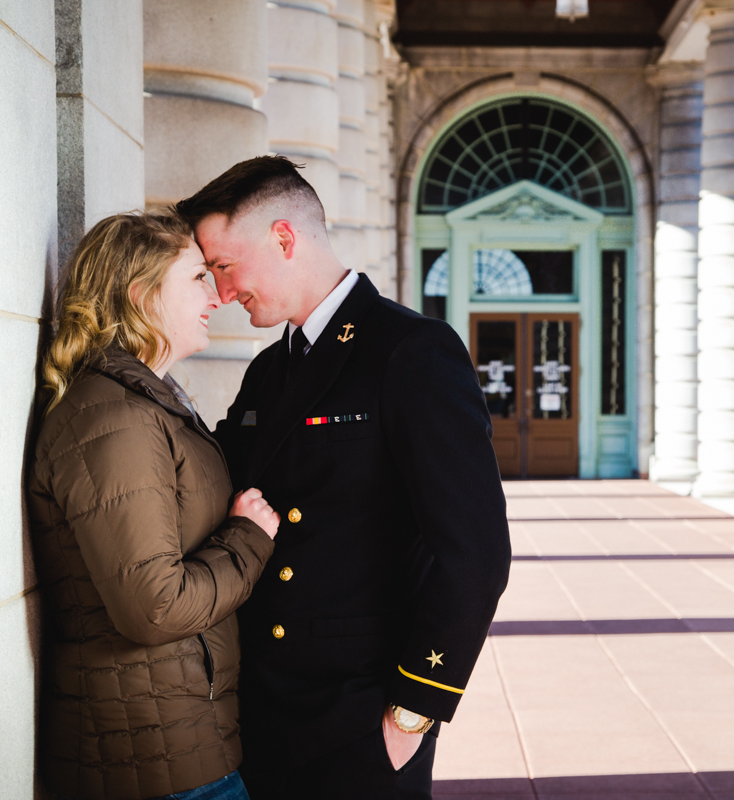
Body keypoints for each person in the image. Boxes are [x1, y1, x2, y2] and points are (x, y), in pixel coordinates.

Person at [175, 156, 512, 799]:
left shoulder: (412, 351)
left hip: (362, 717)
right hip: (266, 712)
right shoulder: (269, 373)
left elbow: (474, 551)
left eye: (222, 265)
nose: (220, 293)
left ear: (283, 238)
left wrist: (413, 710)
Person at [28, 212, 282, 800]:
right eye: (197, 278)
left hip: (178, 746)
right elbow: (156, 608)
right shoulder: (116, 419)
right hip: (156, 765)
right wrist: (249, 538)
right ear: (142, 296)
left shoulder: (142, 403)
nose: (219, 294)